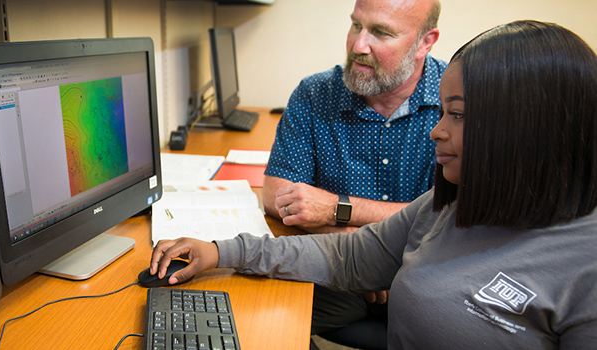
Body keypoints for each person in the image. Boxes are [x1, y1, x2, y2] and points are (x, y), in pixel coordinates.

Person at [149, 20, 597, 348]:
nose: (436, 131)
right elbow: (348, 255)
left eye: (457, 115)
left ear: (531, 129)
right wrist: (223, 250)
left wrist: (336, 210)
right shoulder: (448, 205)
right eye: (442, 112)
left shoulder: (584, 271)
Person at [264, 0, 444, 341]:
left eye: (380, 32)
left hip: (424, 278)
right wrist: (356, 249)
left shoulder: (458, 101)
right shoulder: (315, 94)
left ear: (425, 42)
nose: (358, 46)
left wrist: (335, 209)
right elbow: (277, 196)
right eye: (356, 26)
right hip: (339, 272)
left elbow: (453, 218)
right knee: (256, 317)